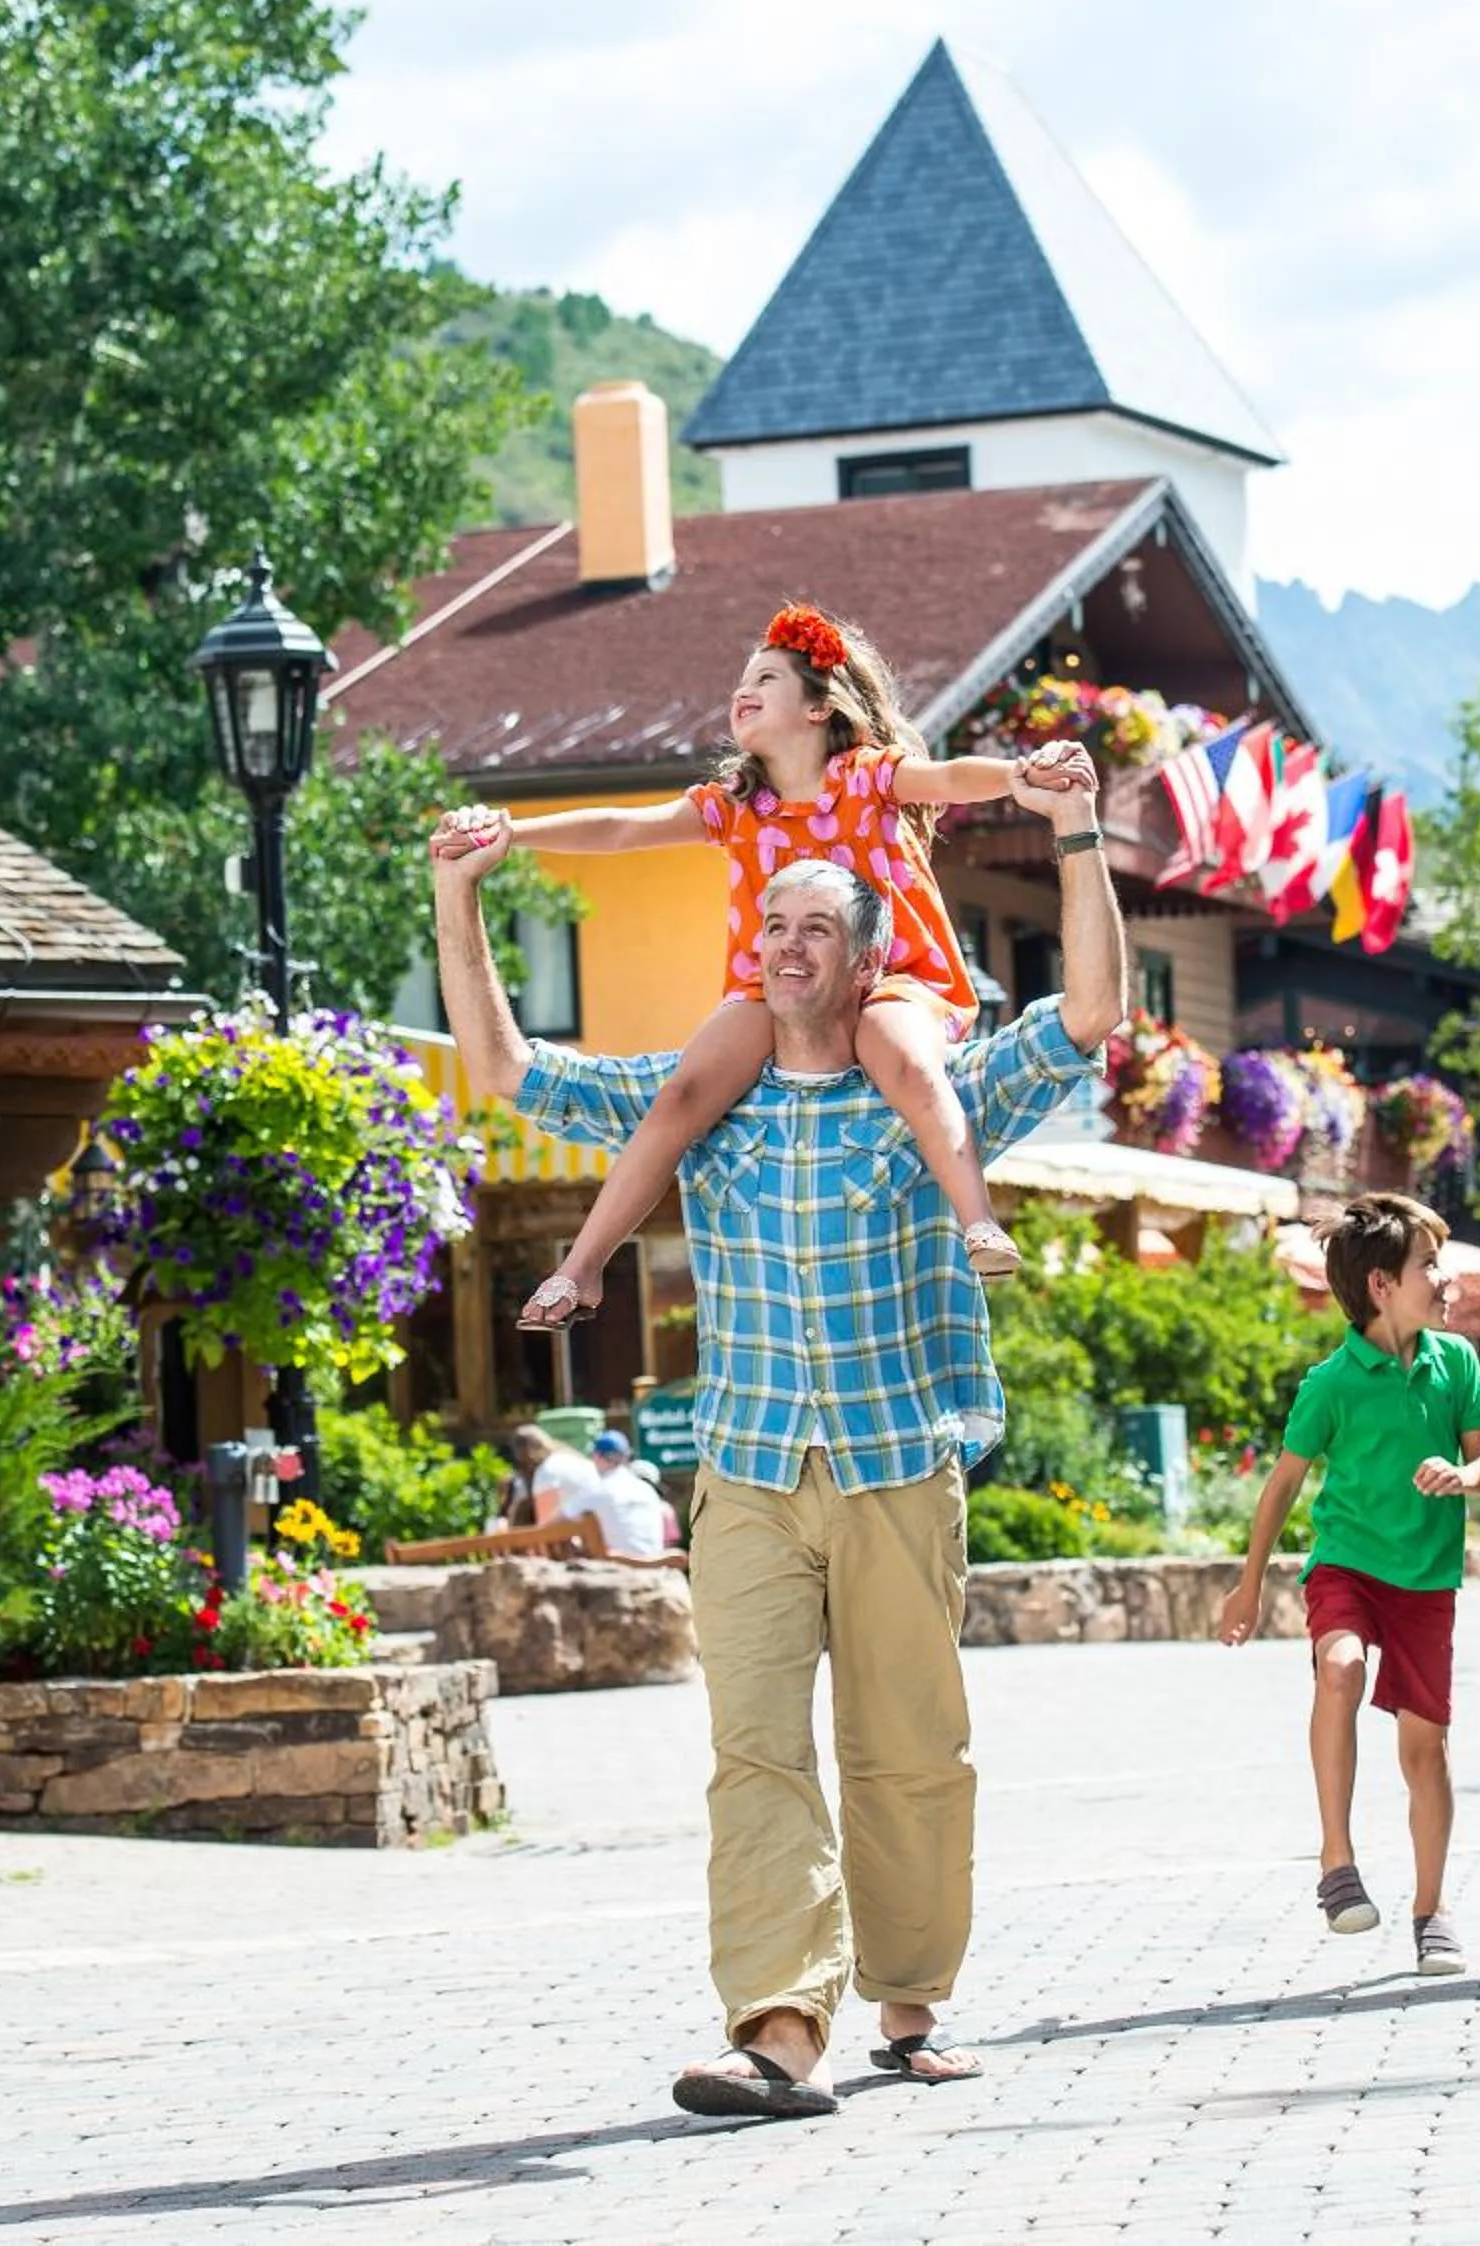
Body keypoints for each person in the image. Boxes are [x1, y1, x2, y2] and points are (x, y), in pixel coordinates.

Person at [431, 739, 1123, 2122]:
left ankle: (910, 1998)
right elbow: (509, 1070)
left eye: (818, 925)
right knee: (753, 1745)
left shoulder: (939, 1094)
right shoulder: (708, 1101)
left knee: (908, 1748)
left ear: (868, 962)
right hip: (745, 1470)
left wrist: (1081, 837)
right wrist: (458, 898)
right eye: (774, 924)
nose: (787, 941)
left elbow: (1091, 1011)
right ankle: (779, 2023)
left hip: (894, 1465)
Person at [453, 603, 1092, 1325]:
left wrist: (1018, 772)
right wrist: (514, 832)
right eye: (741, 682)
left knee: (909, 1065)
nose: (742, 692)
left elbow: (949, 778)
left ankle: (977, 1219)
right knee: (682, 1097)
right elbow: (624, 827)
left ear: (820, 709)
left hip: (897, 976)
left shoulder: (867, 777)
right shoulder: (737, 804)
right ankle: (583, 1267)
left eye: (765, 678)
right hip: (771, 986)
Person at [1216, 1193, 1480, 1978]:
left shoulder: (1457, 1365)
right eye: (1428, 1265)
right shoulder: (1332, 1382)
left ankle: (1431, 1910)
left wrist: (1463, 1473)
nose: (1444, 1278)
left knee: (1424, 1750)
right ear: (1382, 1285)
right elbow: (1280, 1488)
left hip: (1426, 1581)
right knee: (1339, 1668)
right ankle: (1336, 1859)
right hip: (1347, 1564)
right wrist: (1247, 1588)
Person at [556, 1429, 678, 1562]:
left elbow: (554, 1522)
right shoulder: (647, 1490)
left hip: (617, 1571)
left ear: (597, 1456)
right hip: (655, 1568)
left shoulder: (597, 1489)